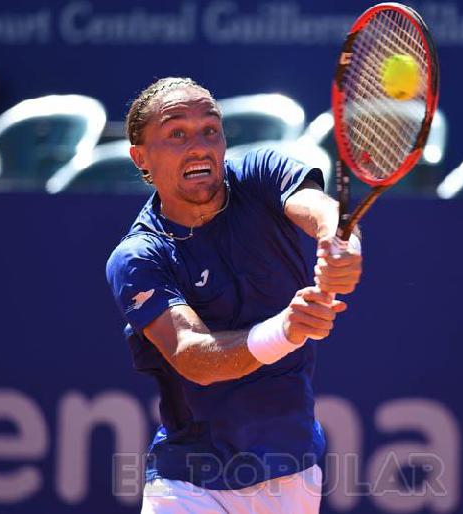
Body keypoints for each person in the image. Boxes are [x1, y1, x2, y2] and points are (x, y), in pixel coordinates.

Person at [105, 77, 362, 513]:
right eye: (176, 134)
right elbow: (194, 357)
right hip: (187, 484)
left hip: (291, 474)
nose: (200, 145)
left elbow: (322, 210)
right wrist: (286, 329)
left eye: (210, 129)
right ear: (140, 158)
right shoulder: (138, 256)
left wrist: (341, 243)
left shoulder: (261, 174)